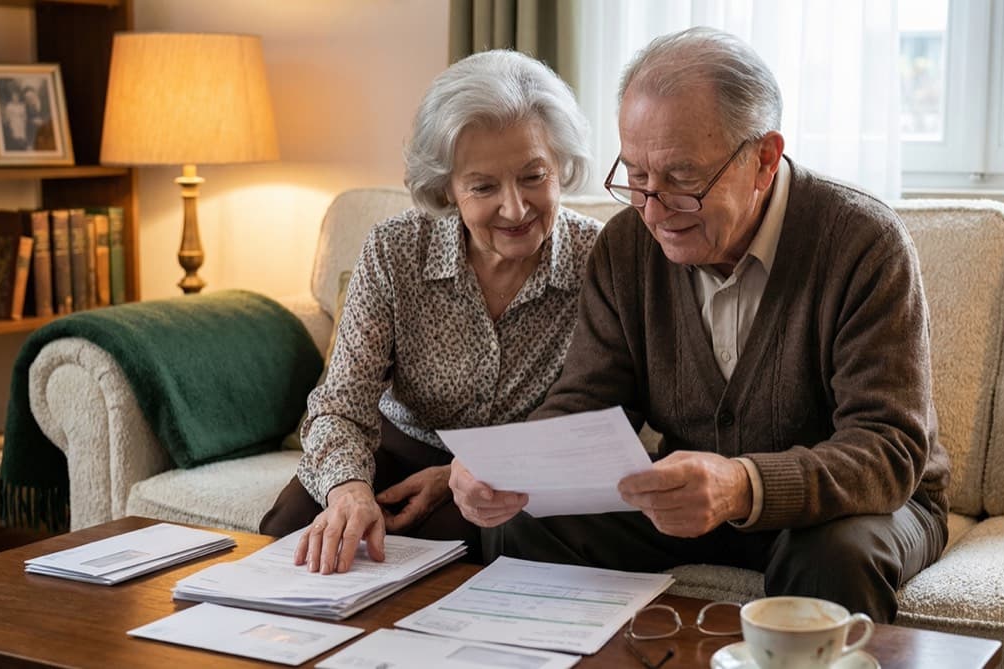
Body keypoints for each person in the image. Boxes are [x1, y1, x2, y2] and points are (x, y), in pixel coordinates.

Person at [449, 27, 951, 624]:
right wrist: (511, 468)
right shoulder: (625, 247)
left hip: (856, 506)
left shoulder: (863, 243)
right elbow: (585, 403)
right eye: (636, 175)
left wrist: (744, 484)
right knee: (522, 524)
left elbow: (887, 450)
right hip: (694, 504)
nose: (654, 211)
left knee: (833, 559)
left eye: (683, 178)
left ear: (763, 159)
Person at [260, 49, 601, 575]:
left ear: (561, 164)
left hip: (510, 478)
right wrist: (350, 489)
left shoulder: (596, 259)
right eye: (483, 186)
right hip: (392, 453)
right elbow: (339, 405)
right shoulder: (396, 252)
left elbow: (597, 420)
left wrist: (458, 474)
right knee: (295, 535)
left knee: (451, 563)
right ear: (447, 187)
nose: (515, 208)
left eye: (534, 176)